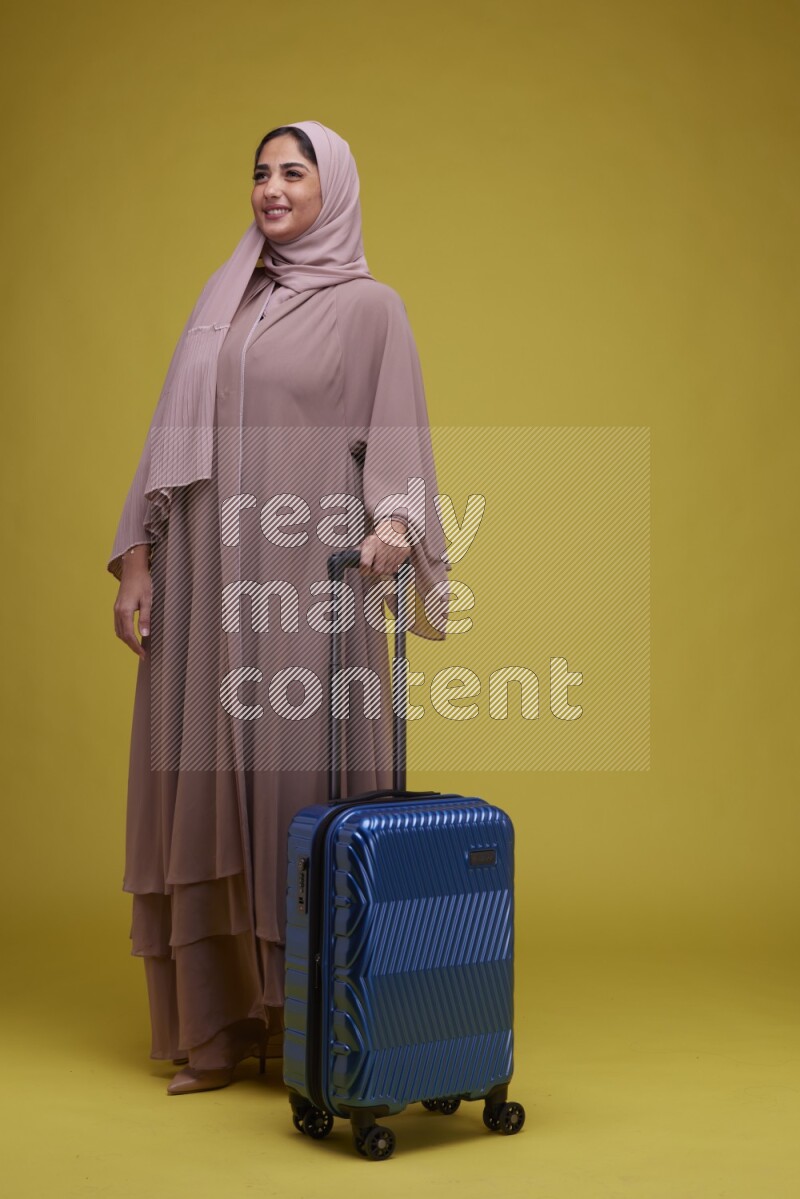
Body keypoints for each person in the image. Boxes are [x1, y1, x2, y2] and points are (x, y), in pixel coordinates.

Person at [108, 121, 451, 1095]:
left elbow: (399, 432)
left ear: (330, 187)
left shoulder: (368, 309)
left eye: (291, 171)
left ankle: (316, 1026)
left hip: (308, 577)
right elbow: (165, 437)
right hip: (201, 583)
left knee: (297, 781)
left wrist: (394, 522)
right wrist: (137, 558)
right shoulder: (227, 302)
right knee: (205, 777)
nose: (269, 187)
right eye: (259, 172)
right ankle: (215, 1029)